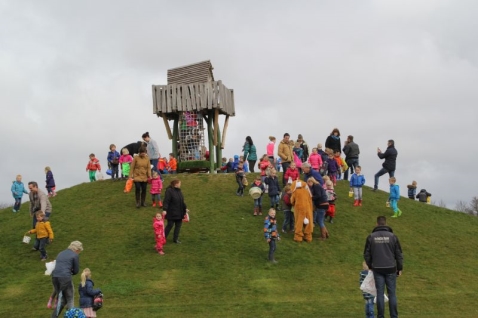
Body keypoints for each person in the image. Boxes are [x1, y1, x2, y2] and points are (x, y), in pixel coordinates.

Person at [363, 216, 403, 318]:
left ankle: (380, 316)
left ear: (377, 224)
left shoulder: (371, 237)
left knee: (379, 293)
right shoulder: (393, 237)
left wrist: (370, 265)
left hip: (377, 268)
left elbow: (366, 254)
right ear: (385, 223)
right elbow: (399, 254)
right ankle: (394, 316)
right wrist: (400, 268)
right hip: (391, 268)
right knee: (392, 294)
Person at [51, 241, 83, 318]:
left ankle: (53, 316)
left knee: (62, 300)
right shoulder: (75, 255)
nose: (79, 253)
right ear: (77, 249)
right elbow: (76, 271)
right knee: (70, 298)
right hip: (65, 278)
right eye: (79, 251)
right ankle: (71, 316)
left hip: (55, 277)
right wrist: (70, 270)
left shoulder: (61, 253)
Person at [163, 179, 189, 244]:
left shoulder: (179, 191)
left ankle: (175, 239)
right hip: (171, 212)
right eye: (179, 183)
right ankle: (163, 238)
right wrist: (165, 209)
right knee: (170, 225)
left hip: (179, 212)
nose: (180, 184)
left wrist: (185, 208)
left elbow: (181, 201)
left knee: (178, 226)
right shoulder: (169, 191)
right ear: (176, 184)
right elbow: (166, 201)